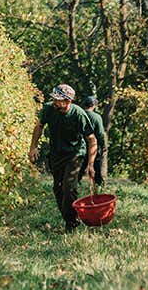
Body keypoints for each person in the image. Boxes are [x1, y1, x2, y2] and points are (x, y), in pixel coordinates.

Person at [28, 84, 97, 231]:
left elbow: (92, 140)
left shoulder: (79, 115)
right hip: (56, 153)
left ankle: (72, 224)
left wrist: (90, 164)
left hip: (75, 153)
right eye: (54, 99)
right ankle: (69, 219)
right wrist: (33, 147)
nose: (54, 102)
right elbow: (39, 126)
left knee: (69, 187)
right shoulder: (48, 109)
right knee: (58, 189)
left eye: (58, 100)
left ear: (68, 101)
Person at [78, 95, 107, 188]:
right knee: (96, 169)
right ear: (94, 105)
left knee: (78, 171)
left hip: (79, 147)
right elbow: (101, 134)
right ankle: (99, 188)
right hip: (93, 148)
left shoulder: (79, 114)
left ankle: (73, 187)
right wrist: (103, 146)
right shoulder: (96, 117)